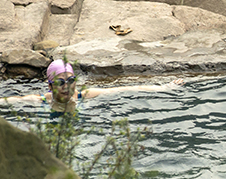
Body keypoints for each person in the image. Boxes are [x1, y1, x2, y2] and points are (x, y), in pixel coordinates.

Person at [2, 59, 182, 114]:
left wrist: (165, 88)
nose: (67, 86)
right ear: (50, 85)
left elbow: (124, 89)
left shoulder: (84, 95)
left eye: (71, 80)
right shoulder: (39, 100)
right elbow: (9, 101)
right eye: (60, 82)